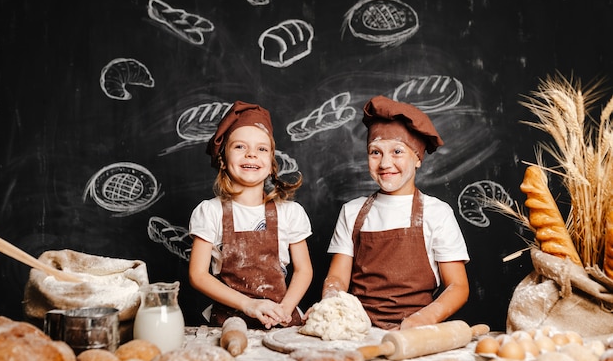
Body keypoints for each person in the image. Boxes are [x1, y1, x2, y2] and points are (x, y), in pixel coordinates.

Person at [320, 95, 470, 330]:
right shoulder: (352, 211)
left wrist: (423, 319)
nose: (385, 163)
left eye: (397, 152)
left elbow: (458, 287)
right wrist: (330, 304)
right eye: (375, 152)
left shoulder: (437, 213)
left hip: (417, 331)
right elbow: (337, 279)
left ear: (418, 158)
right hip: (359, 330)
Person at [188, 100, 313, 329]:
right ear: (223, 160)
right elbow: (197, 275)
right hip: (229, 322)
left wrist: (285, 309)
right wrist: (249, 305)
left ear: (271, 164)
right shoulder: (210, 212)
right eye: (240, 147)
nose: (251, 155)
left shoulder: (290, 213)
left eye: (261, 149)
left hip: (281, 321)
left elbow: (304, 270)